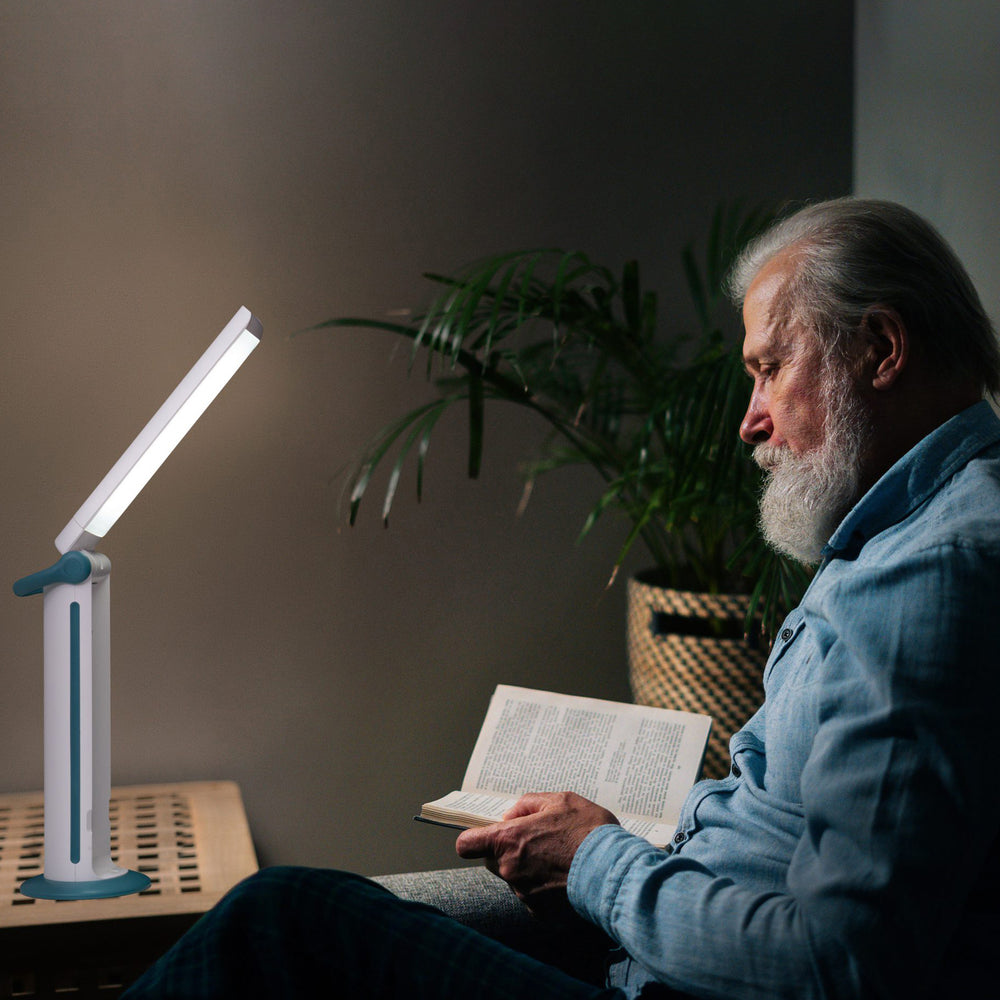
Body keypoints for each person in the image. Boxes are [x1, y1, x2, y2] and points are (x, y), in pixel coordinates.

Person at [123, 198, 1000, 999]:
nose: (749, 417)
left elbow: (837, 965)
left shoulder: (928, 580)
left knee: (285, 920)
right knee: (331, 916)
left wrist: (595, 862)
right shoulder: (904, 527)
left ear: (879, 350)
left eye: (770, 368)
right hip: (673, 937)